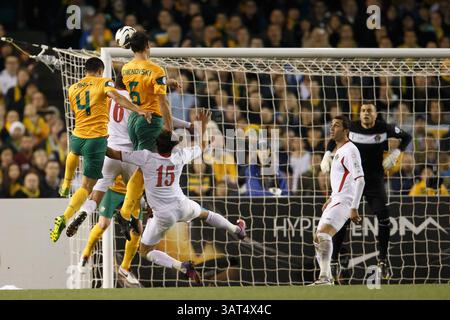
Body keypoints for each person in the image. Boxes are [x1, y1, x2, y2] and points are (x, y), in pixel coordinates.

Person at [106, 110, 246, 284]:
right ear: (172, 146)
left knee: (145, 251)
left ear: (156, 144)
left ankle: (182, 266)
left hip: (163, 215)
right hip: (181, 206)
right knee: (206, 214)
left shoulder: (145, 157)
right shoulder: (180, 156)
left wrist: (95, 142)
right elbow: (202, 147)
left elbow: (113, 154)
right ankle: (236, 229)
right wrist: (202, 125)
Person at [49, 57, 148, 243]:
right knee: (135, 190)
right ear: (101, 71)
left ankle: (72, 194)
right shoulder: (111, 88)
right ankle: (130, 217)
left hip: (89, 142)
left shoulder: (72, 88)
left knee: (95, 188)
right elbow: (120, 101)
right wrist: (139, 110)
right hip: (119, 150)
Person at [320, 103, 412, 280]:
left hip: (374, 181)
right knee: (342, 219)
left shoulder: (385, 128)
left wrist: (396, 153)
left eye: (369, 110)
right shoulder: (352, 127)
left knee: (384, 216)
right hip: (351, 181)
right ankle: (335, 261)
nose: (365, 113)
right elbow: (334, 138)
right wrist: (327, 154)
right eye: (363, 111)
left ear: (376, 114)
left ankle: (383, 261)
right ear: (359, 114)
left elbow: (407, 136)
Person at [116, 31, 174, 241]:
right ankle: (125, 212)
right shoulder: (156, 69)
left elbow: (141, 86)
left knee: (144, 166)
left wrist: (168, 82)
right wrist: (169, 127)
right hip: (151, 120)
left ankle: (136, 209)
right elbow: (162, 102)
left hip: (134, 119)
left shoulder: (126, 68)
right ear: (148, 45)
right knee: (147, 166)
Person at [311, 115, 364, 286]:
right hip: (336, 198)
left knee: (323, 234)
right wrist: (332, 197)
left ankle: (325, 278)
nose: (332, 128)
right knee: (317, 238)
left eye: (336, 126)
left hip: (345, 201)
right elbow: (344, 179)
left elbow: (360, 180)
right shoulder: (339, 150)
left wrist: (354, 208)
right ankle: (326, 278)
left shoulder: (350, 150)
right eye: (331, 125)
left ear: (346, 130)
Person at [78, 175, 142, 286]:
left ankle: (125, 267)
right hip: (113, 191)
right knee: (103, 224)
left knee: (137, 230)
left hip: (133, 192)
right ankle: (86, 254)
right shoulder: (112, 157)